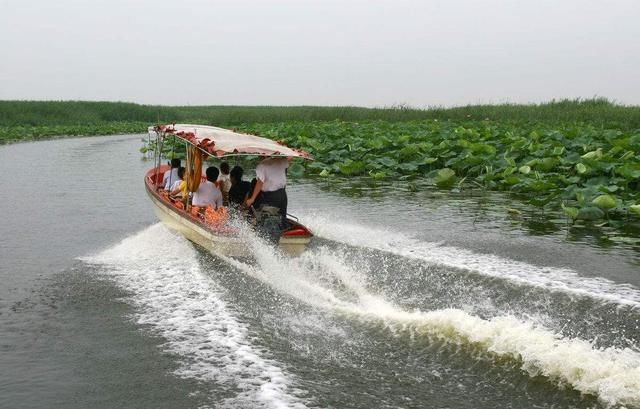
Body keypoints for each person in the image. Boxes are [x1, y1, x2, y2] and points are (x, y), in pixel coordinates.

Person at [245, 156, 289, 221]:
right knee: (282, 216)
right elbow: (289, 159)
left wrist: (252, 198)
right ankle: (284, 227)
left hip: (270, 196)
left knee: (267, 216)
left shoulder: (262, 166)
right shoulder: (281, 160)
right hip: (282, 194)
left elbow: (260, 183)